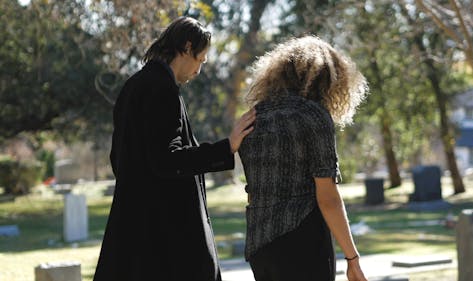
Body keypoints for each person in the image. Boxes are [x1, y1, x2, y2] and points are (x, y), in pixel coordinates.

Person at [93, 16, 256, 281]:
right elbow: (167, 160)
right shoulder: (161, 88)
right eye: (200, 60)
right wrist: (227, 147)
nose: (198, 71)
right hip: (166, 236)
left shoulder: (134, 85)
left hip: (134, 229)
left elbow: (119, 158)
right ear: (187, 48)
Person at [238, 35, 369, 281]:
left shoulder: (254, 117)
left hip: (259, 246)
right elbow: (327, 197)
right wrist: (352, 259)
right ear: (327, 79)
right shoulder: (313, 116)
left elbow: (254, 191)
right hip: (302, 241)